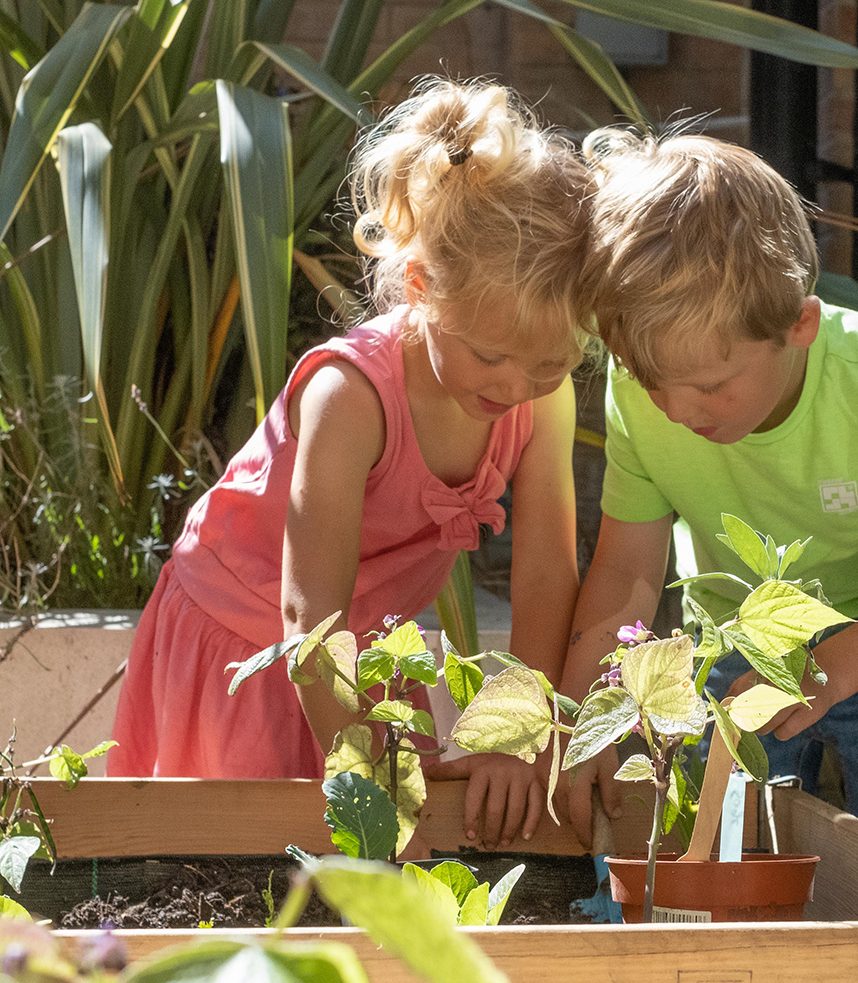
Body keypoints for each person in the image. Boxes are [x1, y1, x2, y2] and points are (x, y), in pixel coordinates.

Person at [109, 78, 594, 847]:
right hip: (255, 638)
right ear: (422, 288)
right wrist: (361, 757)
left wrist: (513, 732)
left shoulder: (542, 396)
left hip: (361, 652)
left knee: (391, 873)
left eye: (547, 366)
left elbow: (543, 575)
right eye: (491, 357)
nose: (515, 388)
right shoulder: (349, 394)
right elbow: (308, 617)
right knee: (248, 869)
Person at [558, 130, 858, 867]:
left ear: (799, 326)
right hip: (734, 653)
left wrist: (828, 673)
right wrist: (584, 725)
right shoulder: (641, 393)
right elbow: (627, 570)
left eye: (707, 384)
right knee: (725, 858)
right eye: (648, 377)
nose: (674, 408)